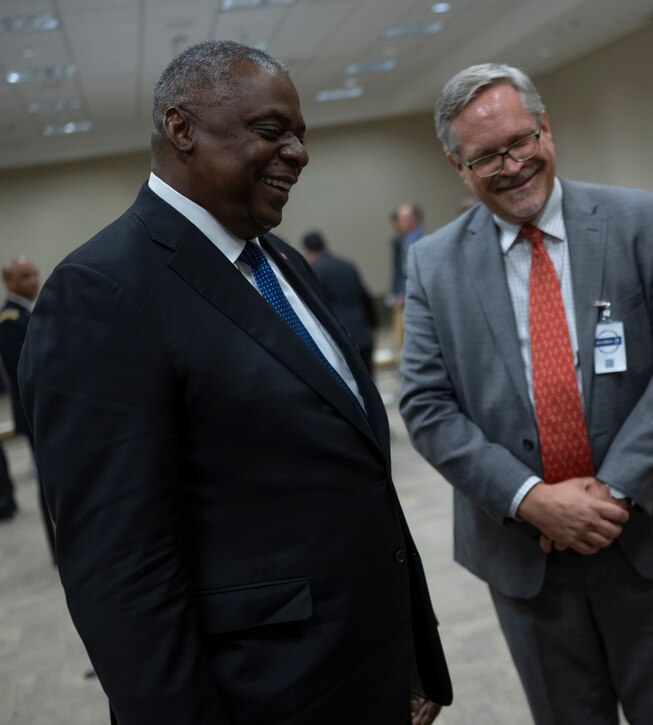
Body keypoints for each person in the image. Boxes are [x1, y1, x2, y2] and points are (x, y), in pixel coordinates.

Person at [19, 40, 451, 724]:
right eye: (271, 131)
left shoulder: (279, 260)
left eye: (301, 137)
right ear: (181, 128)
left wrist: (404, 655)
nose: (299, 154)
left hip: (366, 669)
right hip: (265, 697)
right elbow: (121, 577)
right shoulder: (101, 292)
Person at [399, 63, 653, 724]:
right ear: (458, 166)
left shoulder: (639, 221)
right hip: (525, 556)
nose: (512, 164)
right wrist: (533, 500)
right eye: (487, 155)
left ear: (547, 128)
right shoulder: (432, 265)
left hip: (648, 535)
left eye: (521, 140)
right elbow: (427, 405)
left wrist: (608, 492)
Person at [0, 257, 54, 557]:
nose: (33, 280)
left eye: (34, 274)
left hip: (45, 410)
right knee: (48, 480)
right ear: (9, 282)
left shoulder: (28, 312)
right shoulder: (10, 320)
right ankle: (59, 546)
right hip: (34, 411)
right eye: (24, 276)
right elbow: (28, 371)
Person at [302, 230, 377, 373]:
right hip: (362, 332)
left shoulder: (314, 271)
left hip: (340, 339)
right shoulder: (347, 265)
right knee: (370, 382)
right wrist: (373, 325)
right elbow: (366, 297)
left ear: (307, 250)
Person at [389, 203, 425, 351]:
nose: (400, 222)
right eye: (399, 219)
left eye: (403, 218)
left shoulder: (423, 238)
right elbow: (398, 269)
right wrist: (397, 292)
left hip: (418, 292)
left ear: (414, 219)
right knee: (403, 336)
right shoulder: (401, 240)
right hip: (405, 292)